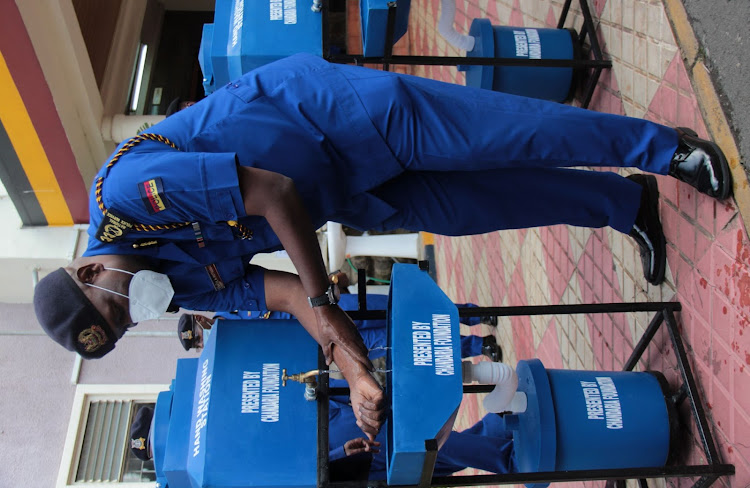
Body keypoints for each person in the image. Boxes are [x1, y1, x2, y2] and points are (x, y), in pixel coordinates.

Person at [33, 53, 732, 439]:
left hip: (334, 117)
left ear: (93, 266)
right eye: (126, 327)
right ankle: (622, 203)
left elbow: (272, 193)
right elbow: (283, 297)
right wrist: (356, 372)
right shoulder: (174, 285)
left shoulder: (126, 195)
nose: (136, 310)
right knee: (485, 207)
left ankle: (666, 151)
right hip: (341, 195)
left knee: (508, 134)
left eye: (116, 304)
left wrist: (323, 301)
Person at [329, 398, 516, 480]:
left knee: (429, 447)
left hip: (344, 425)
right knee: (430, 461)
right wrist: (339, 455)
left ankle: (506, 452)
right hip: (342, 458)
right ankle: (499, 430)